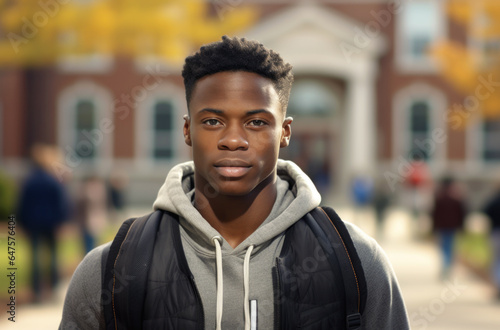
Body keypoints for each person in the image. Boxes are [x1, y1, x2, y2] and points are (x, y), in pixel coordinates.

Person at [60, 36, 409, 329]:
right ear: (187, 130)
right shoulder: (110, 271)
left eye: (256, 122)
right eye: (212, 121)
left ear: (284, 132)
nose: (233, 140)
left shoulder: (357, 262)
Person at [17, 144, 71, 302]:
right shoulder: (53, 181)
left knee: (34, 256)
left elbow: (23, 204)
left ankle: (36, 290)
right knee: (53, 255)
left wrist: (22, 222)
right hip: (51, 223)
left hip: (33, 223)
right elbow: (61, 203)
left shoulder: (29, 181)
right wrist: (62, 221)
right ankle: (53, 287)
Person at [430, 176, 466, 279]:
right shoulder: (456, 198)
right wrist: (461, 227)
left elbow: (434, 215)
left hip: (442, 227)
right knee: (450, 248)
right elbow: (461, 214)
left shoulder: (439, 198)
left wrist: (434, 228)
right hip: (452, 227)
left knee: (444, 248)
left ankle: (445, 267)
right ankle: (447, 267)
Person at [483, 182, 500, 299]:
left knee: (496, 261)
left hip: (495, 233)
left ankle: (498, 286)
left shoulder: (494, 200)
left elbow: (485, 212)